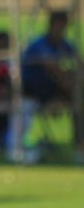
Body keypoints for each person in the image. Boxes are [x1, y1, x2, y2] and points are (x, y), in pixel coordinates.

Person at [21, 10, 84, 159]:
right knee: (78, 97)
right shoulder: (39, 44)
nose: (61, 30)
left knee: (79, 100)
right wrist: (72, 83)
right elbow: (53, 68)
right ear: (52, 25)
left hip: (56, 90)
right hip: (33, 89)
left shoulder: (64, 44)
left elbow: (80, 63)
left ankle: (80, 146)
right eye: (59, 25)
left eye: (64, 26)